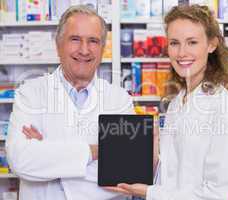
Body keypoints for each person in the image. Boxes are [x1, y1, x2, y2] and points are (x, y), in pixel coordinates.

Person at [108, 4, 228, 200]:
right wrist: (153, 157)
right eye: (174, 43)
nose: (182, 53)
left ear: (212, 44)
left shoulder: (225, 110)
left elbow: (219, 195)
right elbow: (172, 177)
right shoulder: (177, 102)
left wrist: (148, 192)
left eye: (192, 42)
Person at [5, 5, 134, 200]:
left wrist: (47, 152)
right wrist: (97, 151)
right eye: (75, 39)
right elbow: (20, 160)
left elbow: (126, 173)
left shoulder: (119, 100)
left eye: (93, 41)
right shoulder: (30, 94)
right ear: (58, 45)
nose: (84, 50)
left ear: (102, 48)